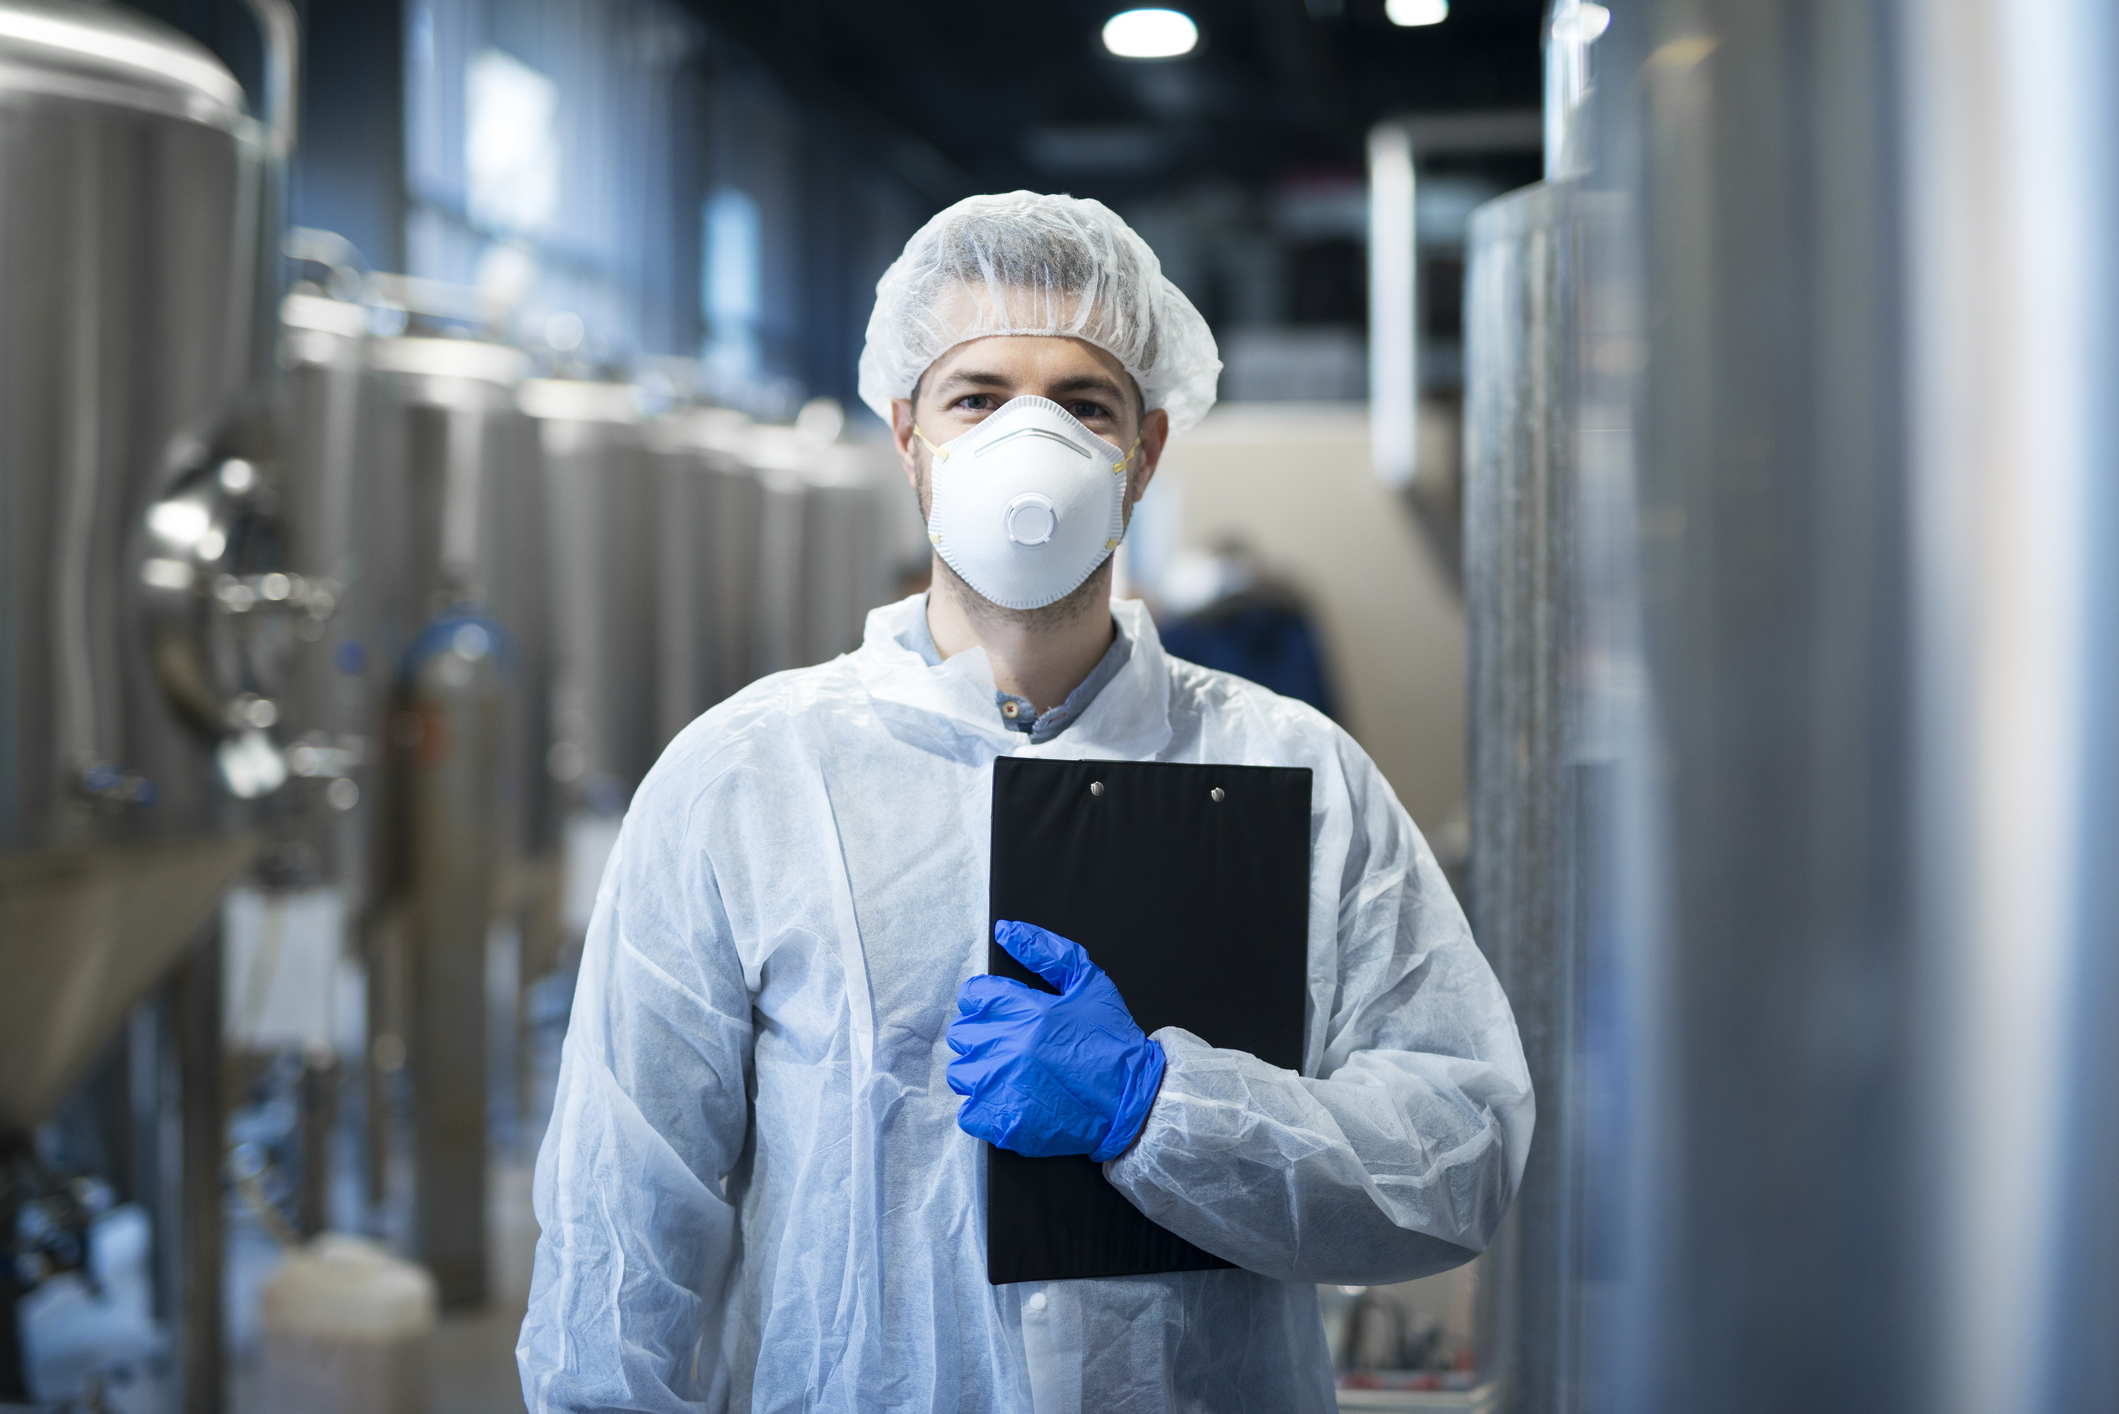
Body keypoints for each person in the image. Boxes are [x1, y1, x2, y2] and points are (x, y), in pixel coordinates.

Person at [517, 191, 1532, 1413]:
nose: (1028, 439)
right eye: (979, 397)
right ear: (909, 437)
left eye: (1083, 404)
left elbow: (1459, 1155)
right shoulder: (744, 781)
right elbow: (622, 1233)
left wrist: (1162, 1108)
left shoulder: (1296, 772)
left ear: (1144, 452)